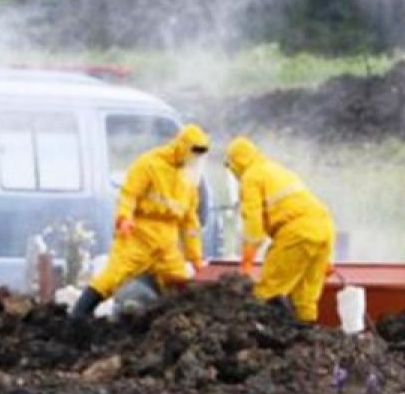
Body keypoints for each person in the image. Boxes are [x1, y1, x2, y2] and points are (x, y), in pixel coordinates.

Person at [70, 124, 209, 319]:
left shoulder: (190, 178)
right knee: (112, 276)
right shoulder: (149, 164)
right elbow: (129, 195)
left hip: (166, 244)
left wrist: (196, 257)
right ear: (182, 146)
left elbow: (190, 221)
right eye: (194, 151)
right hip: (138, 236)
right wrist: (124, 218)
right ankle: (78, 316)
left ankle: (178, 324)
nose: (196, 158)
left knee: (179, 280)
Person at [225, 136, 334, 322]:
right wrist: (322, 258)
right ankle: (307, 341)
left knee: (268, 293)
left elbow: (253, 225)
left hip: (298, 233)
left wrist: (247, 261)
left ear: (237, 163)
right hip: (324, 229)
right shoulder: (275, 169)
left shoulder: (251, 176)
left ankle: (259, 342)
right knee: (305, 298)